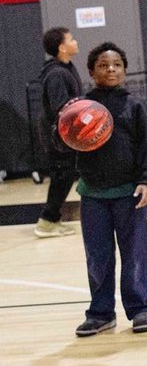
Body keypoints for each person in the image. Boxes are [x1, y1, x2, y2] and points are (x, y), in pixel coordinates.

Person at [74, 42, 147, 337]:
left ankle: (140, 309)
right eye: (103, 65)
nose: (110, 69)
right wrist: (61, 131)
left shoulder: (135, 106)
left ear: (124, 70)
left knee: (134, 254)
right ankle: (101, 314)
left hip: (128, 193)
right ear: (91, 72)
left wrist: (146, 181)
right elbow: (63, 141)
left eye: (116, 65)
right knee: (98, 257)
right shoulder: (80, 108)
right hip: (93, 194)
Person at [35, 26, 83, 237]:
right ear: (62, 47)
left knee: (65, 174)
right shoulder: (56, 74)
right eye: (71, 39)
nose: (75, 42)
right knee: (62, 175)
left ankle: (51, 219)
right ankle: (47, 221)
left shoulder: (66, 68)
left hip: (64, 135)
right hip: (57, 137)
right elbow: (61, 107)